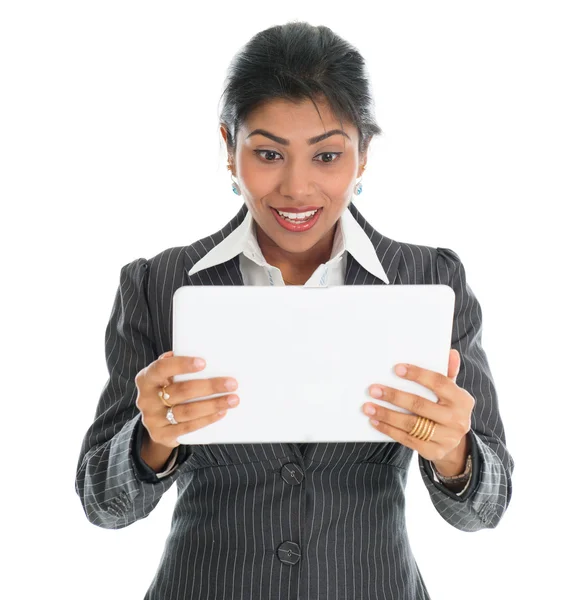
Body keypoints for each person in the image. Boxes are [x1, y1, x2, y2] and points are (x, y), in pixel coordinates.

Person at [75, 21, 514, 600]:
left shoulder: (431, 279)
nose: (297, 188)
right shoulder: (157, 284)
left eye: (327, 154)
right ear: (229, 149)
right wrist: (151, 439)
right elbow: (103, 507)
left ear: (363, 156)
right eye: (268, 153)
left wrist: (455, 452)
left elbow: (486, 511)